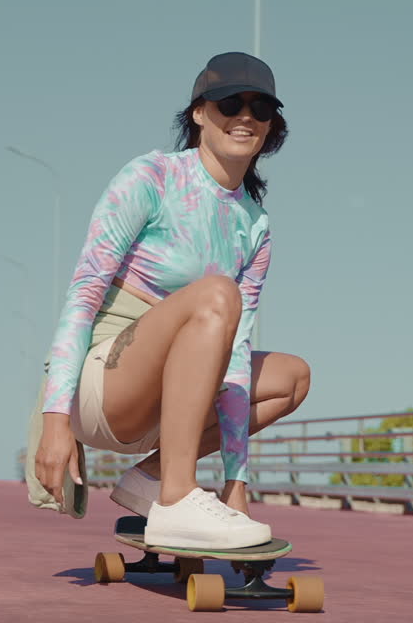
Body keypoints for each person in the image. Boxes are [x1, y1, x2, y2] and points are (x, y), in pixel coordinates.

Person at [31, 52, 311, 550]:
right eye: (230, 103)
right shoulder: (151, 177)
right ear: (200, 113)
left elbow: (238, 357)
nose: (245, 116)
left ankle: (154, 478)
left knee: (291, 377)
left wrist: (235, 485)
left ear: (272, 126)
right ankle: (178, 498)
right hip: (107, 382)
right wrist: (56, 420)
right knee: (215, 293)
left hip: (179, 394)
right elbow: (84, 293)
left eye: (261, 108)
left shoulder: (255, 226)